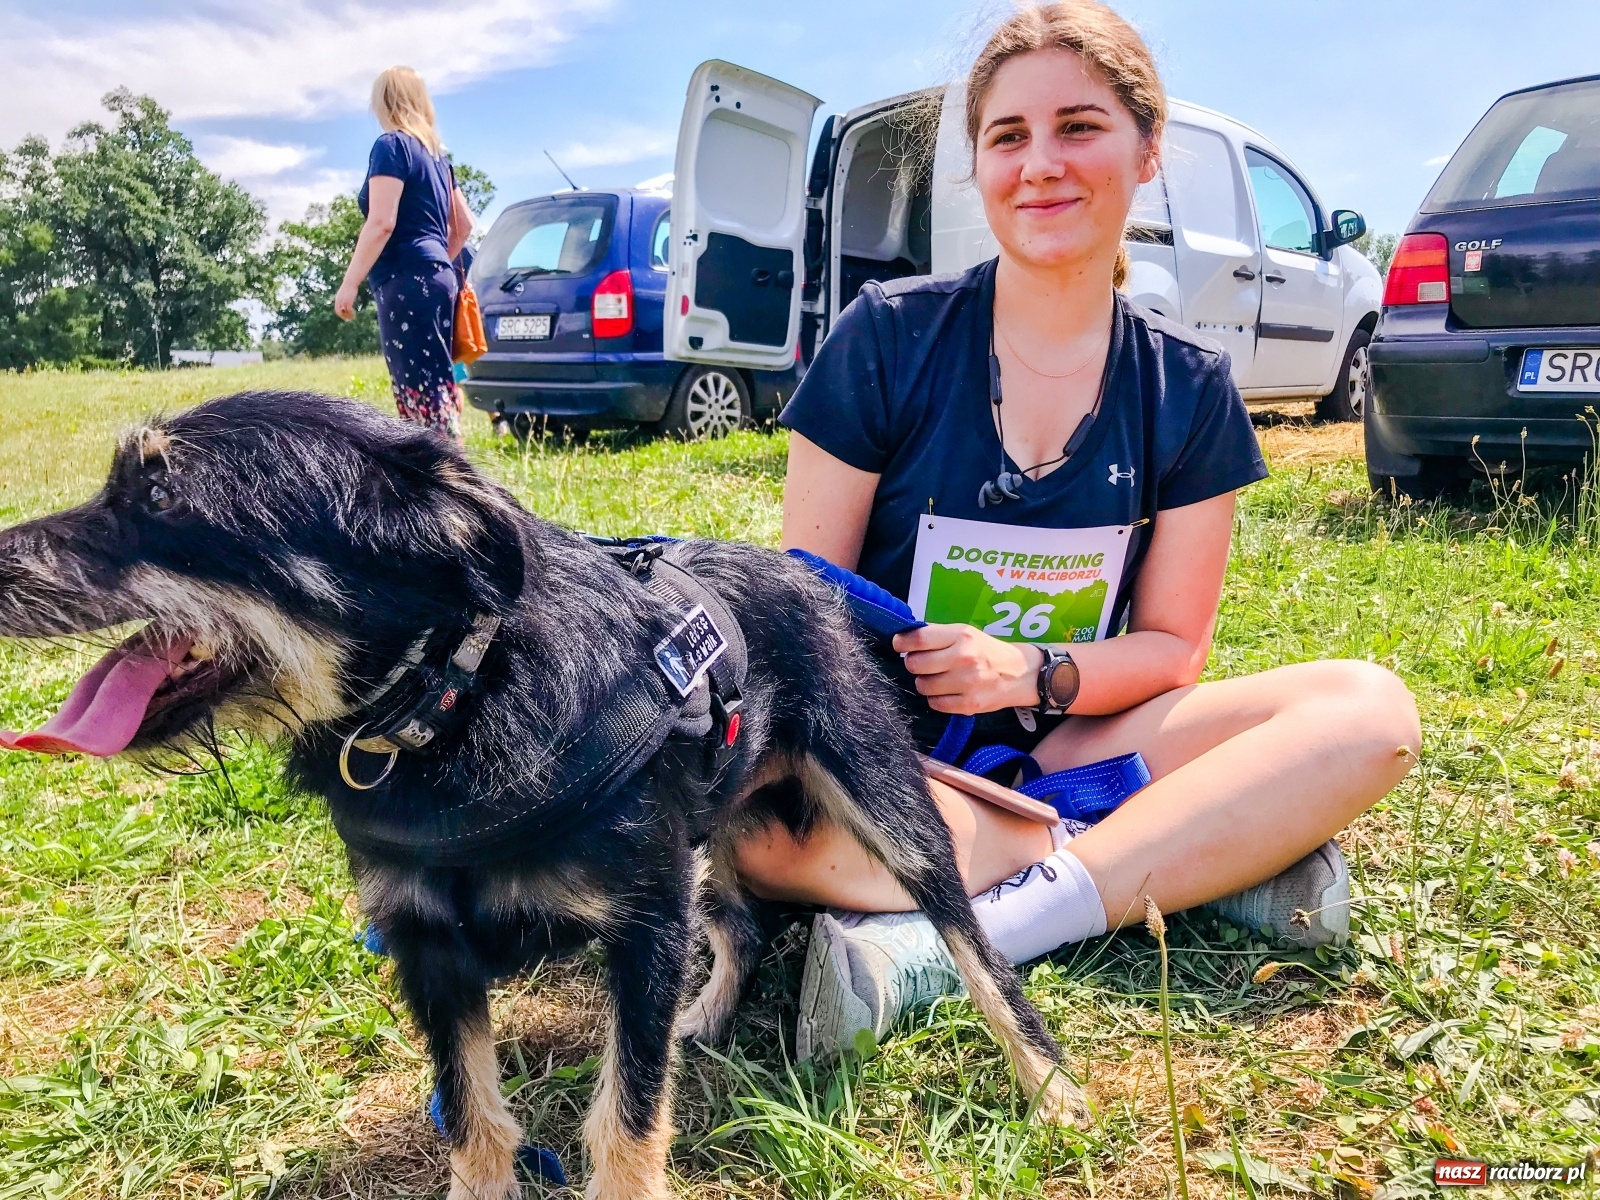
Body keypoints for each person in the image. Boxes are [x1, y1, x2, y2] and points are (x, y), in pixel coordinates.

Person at [734, 0, 1422, 1061]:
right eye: (1008, 136)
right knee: (773, 836)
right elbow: (802, 604)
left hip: (1069, 737)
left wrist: (1029, 671)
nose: (1040, 164)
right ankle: (1194, 853)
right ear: (979, 165)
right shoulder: (887, 339)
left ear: (1146, 151)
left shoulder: (1187, 389)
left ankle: (965, 942)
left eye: (1079, 127)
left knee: (1368, 713)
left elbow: (1170, 651)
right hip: (881, 760)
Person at [335, 66, 475, 443]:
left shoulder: (391, 146)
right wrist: (433, 259)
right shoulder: (438, 159)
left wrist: (349, 285)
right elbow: (463, 226)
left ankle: (443, 480)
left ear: (382, 103)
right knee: (438, 383)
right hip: (438, 277)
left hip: (405, 280)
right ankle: (449, 468)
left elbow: (381, 223)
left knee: (417, 388)